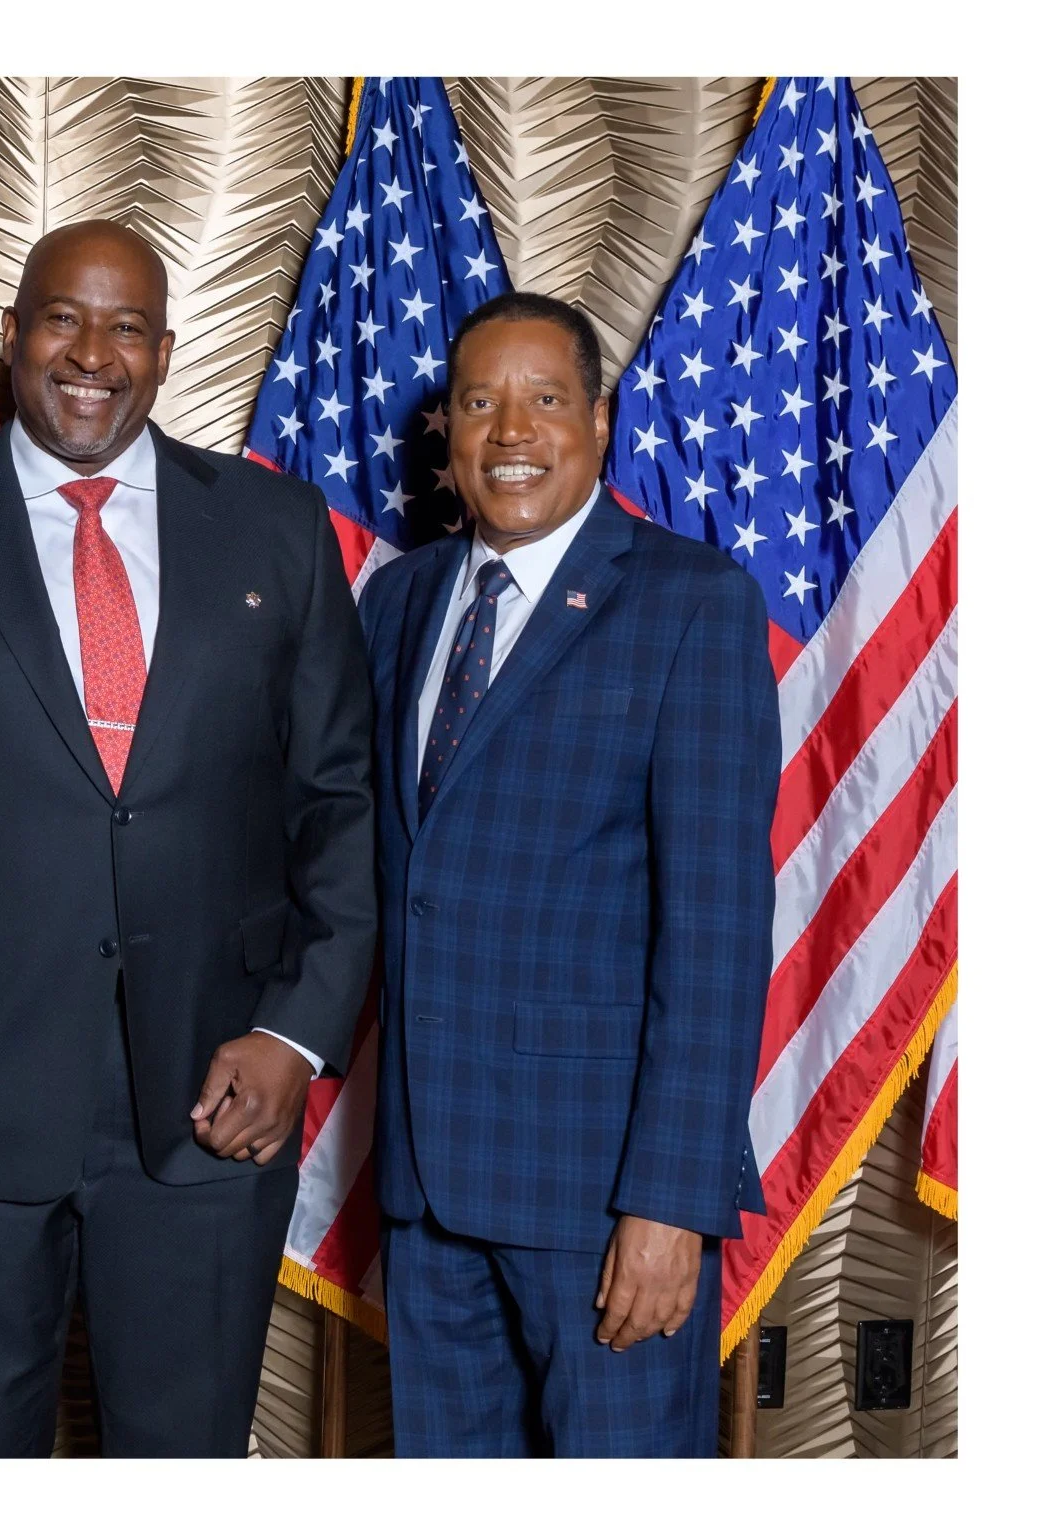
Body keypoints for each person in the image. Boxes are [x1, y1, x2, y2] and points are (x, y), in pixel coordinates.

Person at [0, 219, 375, 1457]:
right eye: (64, 317)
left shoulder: (278, 531)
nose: (92, 353)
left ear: (166, 353)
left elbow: (340, 806)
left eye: (127, 327)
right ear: (12, 337)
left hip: (213, 1106)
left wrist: (295, 1032)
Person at [359, 290, 779, 1457]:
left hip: (601, 1198)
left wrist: (670, 1203)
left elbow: (716, 934)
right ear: (444, 432)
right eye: (481, 403)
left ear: (599, 420)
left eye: (545, 401)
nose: (511, 433)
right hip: (429, 1190)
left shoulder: (690, 604)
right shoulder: (398, 601)